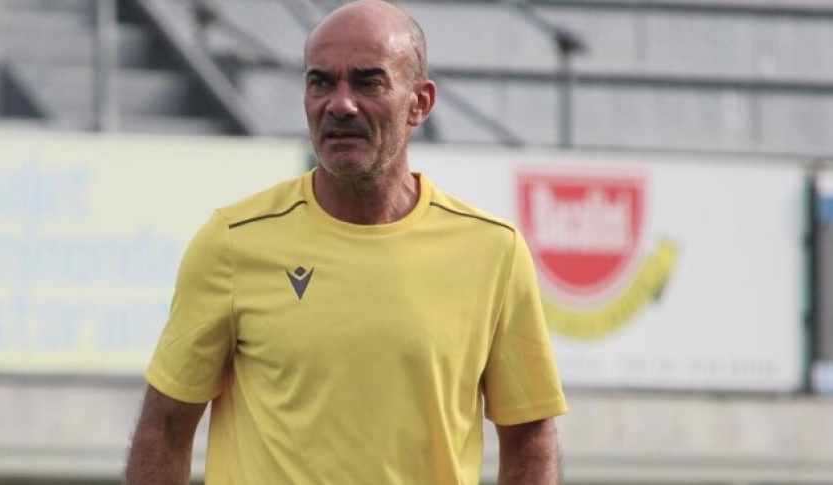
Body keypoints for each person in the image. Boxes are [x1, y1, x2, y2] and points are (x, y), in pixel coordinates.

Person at [124, 0, 567, 483]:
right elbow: (164, 429)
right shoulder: (232, 242)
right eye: (320, 82)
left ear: (420, 103)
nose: (340, 104)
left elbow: (530, 440)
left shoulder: (494, 251)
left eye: (367, 81)